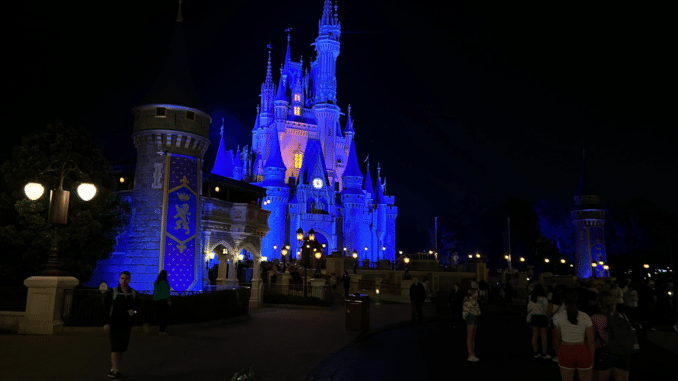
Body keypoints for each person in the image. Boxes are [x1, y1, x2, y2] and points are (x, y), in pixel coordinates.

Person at [103, 271, 140, 380]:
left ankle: (113, 369)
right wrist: (106, 322)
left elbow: (138, 309)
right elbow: (106, 308)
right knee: (115, 347)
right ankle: (115, 370)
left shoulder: (133, 293)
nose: (124, 281)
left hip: (126, 324)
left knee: (121, 348)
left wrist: (134, 311)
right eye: (122, 278)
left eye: (126, 279)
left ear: (129, 280)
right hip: (115, 323)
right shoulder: (113, 292)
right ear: (119, 279)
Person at [553, 288, 595, 381]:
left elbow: (557, 338)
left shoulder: (557, 317)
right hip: (583, 351)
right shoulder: (585, 317)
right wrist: (592, 357)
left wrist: (558, 353)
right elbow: (591, 341)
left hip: (566, 351)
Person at [591, 291, 632, 381]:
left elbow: (592, 340)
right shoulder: (623, 316)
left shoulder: (595, 318)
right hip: (623, 352)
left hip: (604, 353)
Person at [527, 284, 551, 359]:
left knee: (534, 335)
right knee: (543, 336)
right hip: (542, 317)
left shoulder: (531, 297)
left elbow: (528, 309)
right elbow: (546, 309)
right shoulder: (544, 299)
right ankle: (544, 353)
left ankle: (535, 352)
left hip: (534, 317)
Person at [463, 288, 481, 362]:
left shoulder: (473, 301)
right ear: (473, 293)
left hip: (473, 319)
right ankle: (470, 355)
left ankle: (472, 353)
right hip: (471, 319)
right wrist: (466, 319)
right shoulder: (469, 301)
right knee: (470, 337)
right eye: (476, 292)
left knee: (472, 337)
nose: (477, 294)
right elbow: (465, 312)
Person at [153, 270, 172, 335]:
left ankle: (159, 330)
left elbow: (155, 292)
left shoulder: (157, 282)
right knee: (164, 316)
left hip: (157, 301)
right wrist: (168, 300)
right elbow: (166, 293)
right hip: (163, 301)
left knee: (159, 316)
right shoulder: (164, 282)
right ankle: (162, 331)